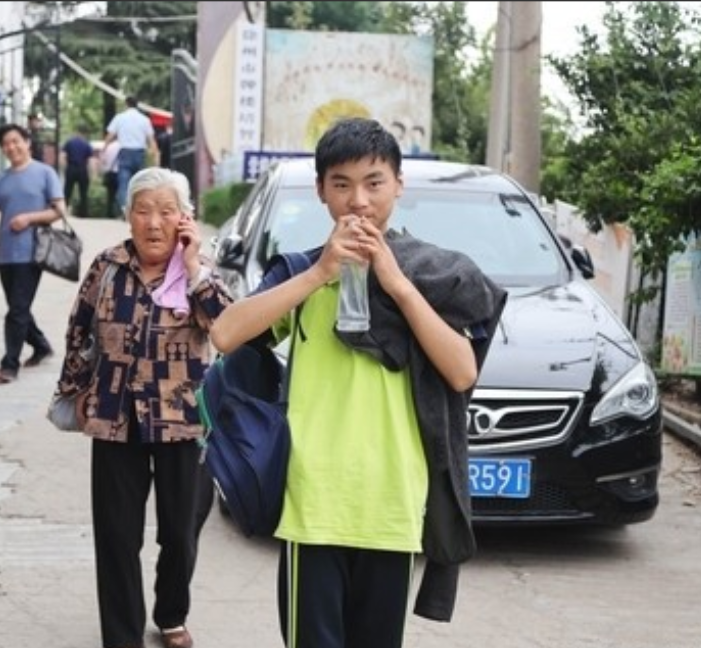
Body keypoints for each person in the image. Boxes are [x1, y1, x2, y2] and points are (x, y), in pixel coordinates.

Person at [209, 118, 507, 648]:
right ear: (321, 190)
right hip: (314, 505)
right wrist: (321, 273)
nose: (358, 200)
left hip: (390, 505)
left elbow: (462, 372)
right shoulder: (301, 272)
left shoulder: (427, 274)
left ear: (398, 184)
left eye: (374, 182)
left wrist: (394, 281)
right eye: (341, 184)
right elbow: (226, 333)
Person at [52, 167, 231, 648]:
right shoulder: (107, 266)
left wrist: (194, 268)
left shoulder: (202, 270)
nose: (154, 223)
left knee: (180, 532)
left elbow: (227, 328)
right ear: (128, 216)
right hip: (115, 416)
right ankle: (123, 637)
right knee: (116, 537)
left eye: (166, 211)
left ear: (185, 218)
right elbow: (78, 332)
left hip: (184, 421)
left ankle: (171, 612)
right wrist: (74, 393)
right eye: (143, 211)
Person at [0, 123, 65, 384]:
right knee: (18, 307)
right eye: (6, 144)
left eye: (16, 141)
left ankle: (9, 364)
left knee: (17, 309)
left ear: (27, 142)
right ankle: (42, 346)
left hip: (33, 253)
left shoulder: (45, 173)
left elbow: (59, 210)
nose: (12, 147)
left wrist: (28, 218)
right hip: (5, 255)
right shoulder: (1, 178)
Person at [104, 96, 158, 215]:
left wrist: (104, 149)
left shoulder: (120, 118)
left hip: (125, 152)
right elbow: (151, 139)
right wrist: (154, 155)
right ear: (137, 104)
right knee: (140, 183)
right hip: (139, 153)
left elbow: (110, 135)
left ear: (126, 104)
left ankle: (125, 210)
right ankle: (141, 210)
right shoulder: (144, 119)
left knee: (124, 183)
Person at [60, 123, 95, 217]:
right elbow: (91, 160)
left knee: (67, 191)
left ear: (77, 132)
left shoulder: (69, 142)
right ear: (85, 133)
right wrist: (92, 174)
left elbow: (63, 156)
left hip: (71, 168)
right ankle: (83, 213)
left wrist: (64, 169)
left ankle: (63, 211)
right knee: (83, 192)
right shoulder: (87, 144)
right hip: (82, 169)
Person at [99, 139, 122, 219]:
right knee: (120, 193)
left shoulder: (108, 147)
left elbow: (103, 160)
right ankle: (119, 212)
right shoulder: (123, 146)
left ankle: (109, 213)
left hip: (110, 172)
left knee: (110, 195)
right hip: (120, 173)